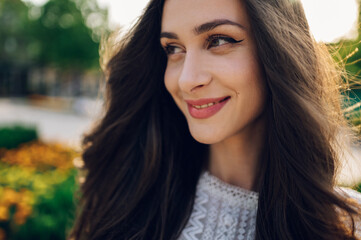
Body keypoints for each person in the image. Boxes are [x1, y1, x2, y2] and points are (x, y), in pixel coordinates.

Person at [70, 0, 361, 239]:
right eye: (173, 49)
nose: (187, 80)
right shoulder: (126, 200)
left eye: (218, 41)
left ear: (279, 50)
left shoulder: (346, 227)